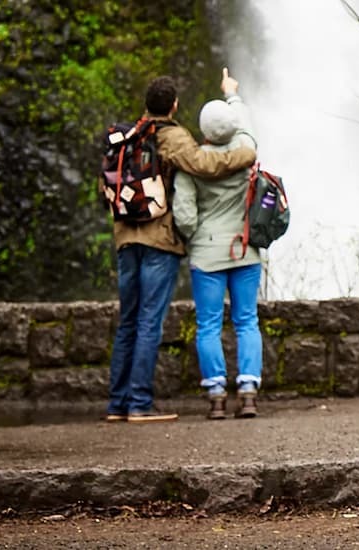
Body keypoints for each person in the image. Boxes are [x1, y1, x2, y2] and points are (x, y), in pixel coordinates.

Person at [108, 75, 257, 424]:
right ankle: (140, 403)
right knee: (148, 321)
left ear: (147, 104)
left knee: (127, 321)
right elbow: (204, 165)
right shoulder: (173, 137)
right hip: (158, 240)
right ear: (174, 105)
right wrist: (246, 153)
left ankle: (118, 403)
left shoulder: (130, 135)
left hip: (126, 237)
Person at [173, 69, 264, 420]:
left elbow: (184, 216)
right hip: (245, 250)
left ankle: (215, 395)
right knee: (246, 320)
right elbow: (246, 128)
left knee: (208, 324)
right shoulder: (246, 152)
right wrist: (232, 94)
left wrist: (196, 238)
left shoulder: (191, 165)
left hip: (207, 255)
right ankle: (248, 391)